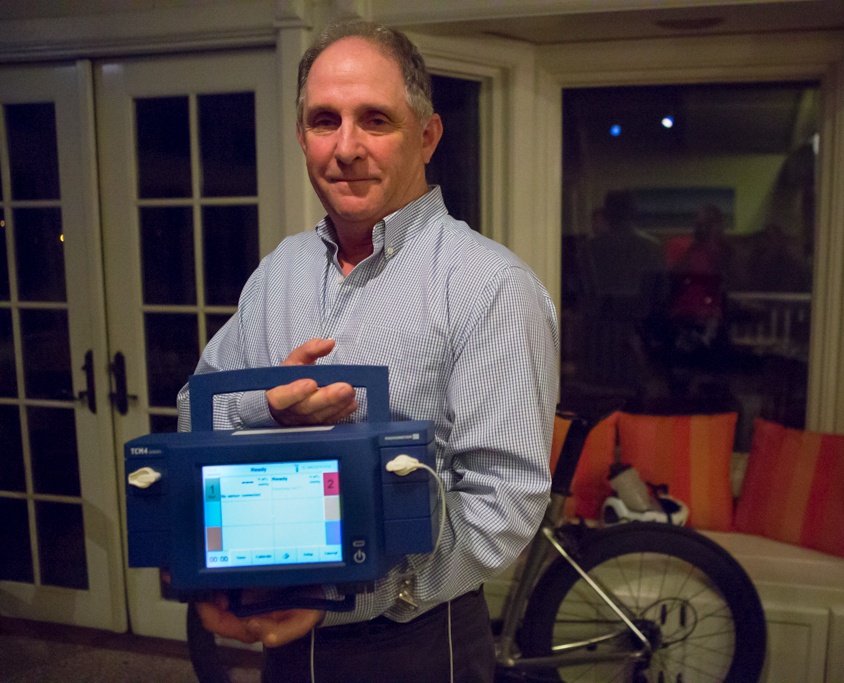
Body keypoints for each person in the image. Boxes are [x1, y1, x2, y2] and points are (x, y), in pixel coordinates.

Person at [175, 19, 558, 682]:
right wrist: (267, 411)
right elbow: (191, 414)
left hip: (413, 639)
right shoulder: (278, 272)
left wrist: (352, 592)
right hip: (281, 628)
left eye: (374, 119)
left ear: (427, 135)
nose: (346, 147)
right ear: (302, 137)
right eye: (325, 120)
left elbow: (503, 502)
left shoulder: (491, 287)